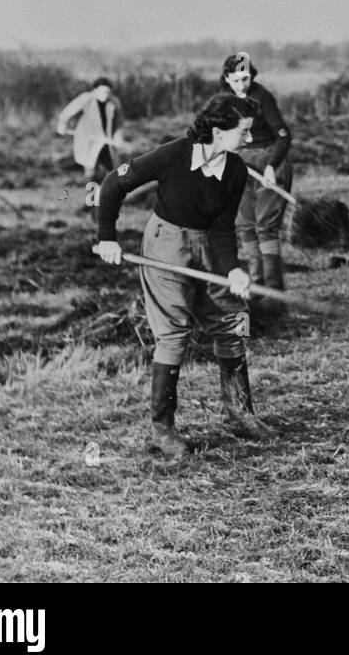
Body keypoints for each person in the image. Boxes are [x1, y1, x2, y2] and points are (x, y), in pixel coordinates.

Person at [93, 92, 270, 459]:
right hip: (166, 245)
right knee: (174, 333)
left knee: (232, 325)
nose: (249, 140)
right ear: (219, 131)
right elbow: (113, 183)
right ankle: (164, 430)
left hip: (208, 246)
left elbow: (223, 228)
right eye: (245, 132)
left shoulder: (234, 170)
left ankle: (240, 413)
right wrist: (107, 238)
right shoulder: (173, 155)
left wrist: (232, 269)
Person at [218, 51, 293, 290]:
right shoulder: (221, 101)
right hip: (239, 164)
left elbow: (283, 135)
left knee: (265, 226)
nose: (242, 84)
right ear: (227, 78)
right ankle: (257, 286)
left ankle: (273, 289)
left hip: (270, 160)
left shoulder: (263, 97)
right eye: (237, 79)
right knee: (245, 225)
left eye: (246, 78)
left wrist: (272, 166)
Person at [56, 76, 125, 180]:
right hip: (88, 140)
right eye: (102, 92)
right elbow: (67, 112)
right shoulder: (86, 98)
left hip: (106, 141)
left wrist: (118, 136)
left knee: (112, 168)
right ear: (95, 90)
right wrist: (62, 125)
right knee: (90, 167)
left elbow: (119, 122)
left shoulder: (114, 102)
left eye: (107, 92)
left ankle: (109, 191)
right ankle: (89, 190)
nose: (105, 95)